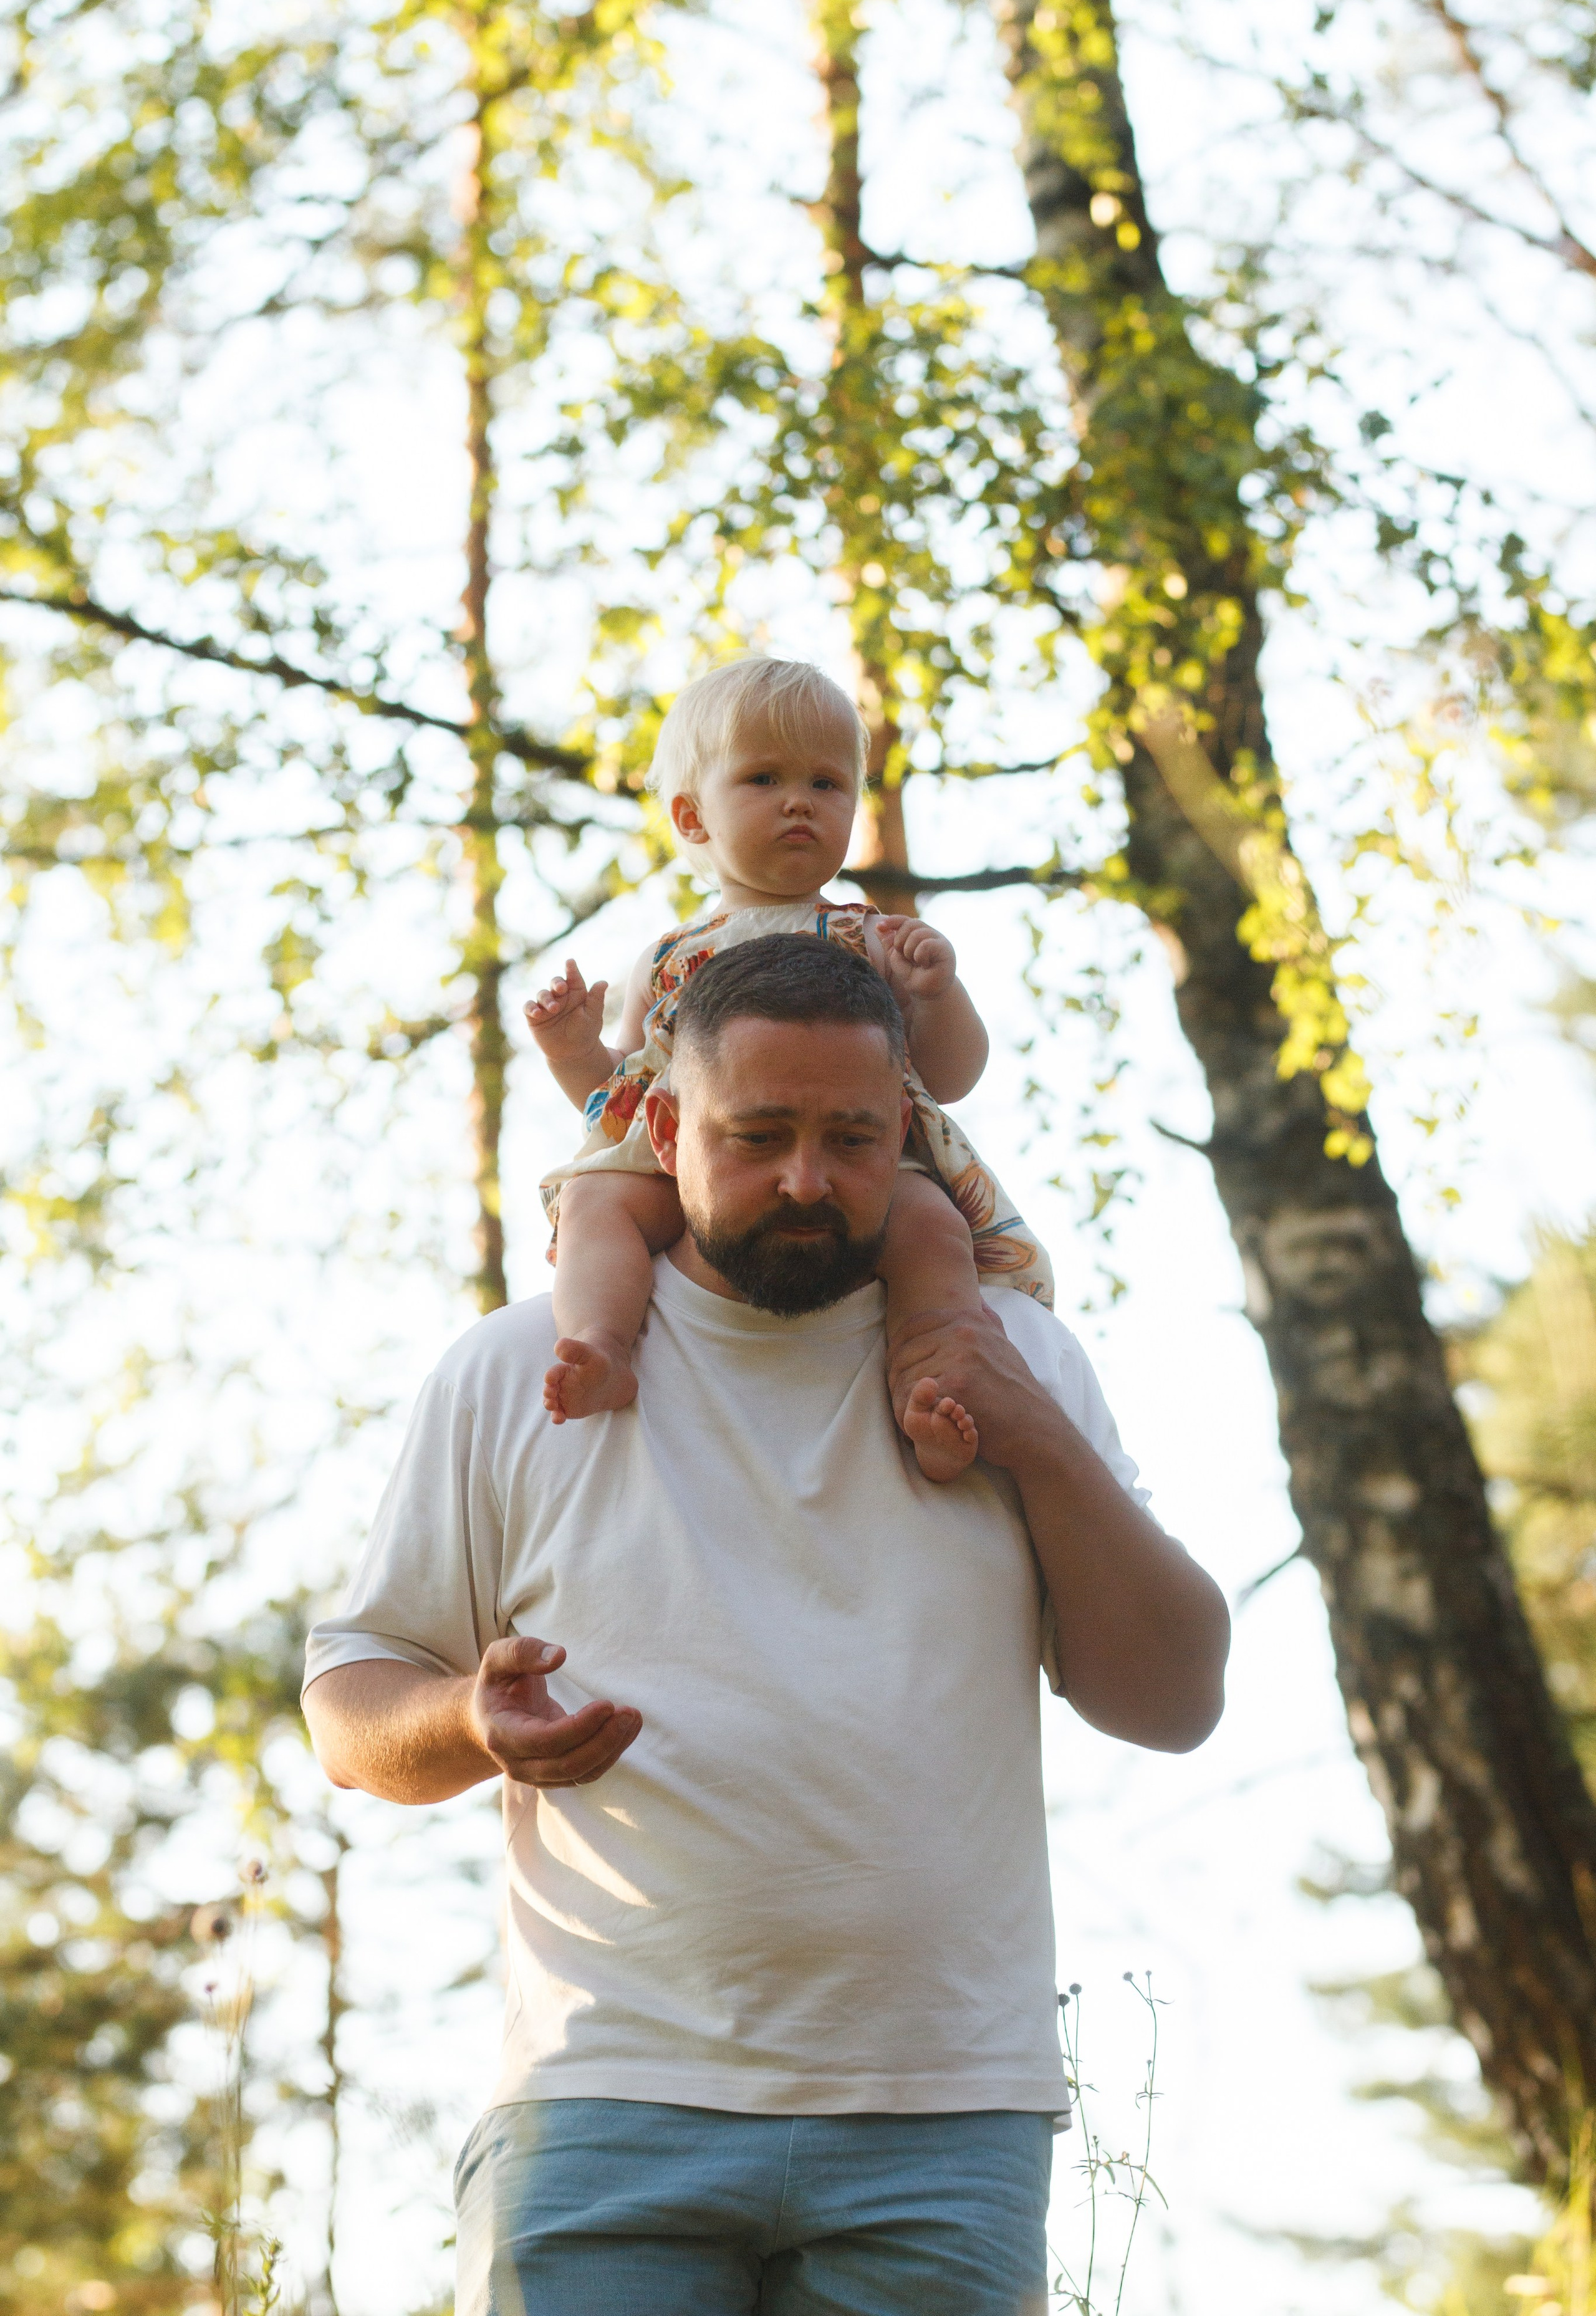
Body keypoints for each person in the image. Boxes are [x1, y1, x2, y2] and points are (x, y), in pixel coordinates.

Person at [302, 931, 1230, 2316]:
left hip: (939, 2120)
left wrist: (1032, 1439)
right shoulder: (518, 1369)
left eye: (853, 1139)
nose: (807, 1179)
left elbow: (1171, 1700)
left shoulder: (1009, 1361)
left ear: (907, 1131)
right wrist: (462, 1720)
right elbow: (350, 1703)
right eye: (759, 1135)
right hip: (603, 2106)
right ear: (664, 1126)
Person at [526, 653, 1050, 1482]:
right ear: (693, 819)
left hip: (858, 1167)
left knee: (930, 1232)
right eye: (764, 779)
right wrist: (572, 1049)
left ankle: (935, 1390)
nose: (799, 801)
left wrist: (936, 994)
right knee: (596, 1199)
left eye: (828, 783)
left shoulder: (872, 939)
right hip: (697, 1164)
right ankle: (600, 1341)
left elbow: (951, 1076)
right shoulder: (668, 959)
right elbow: (619, 1099)